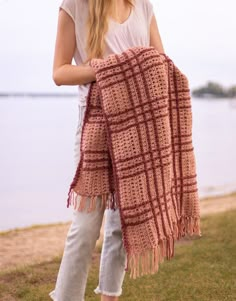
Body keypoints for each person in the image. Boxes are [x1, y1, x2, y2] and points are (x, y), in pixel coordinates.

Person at [49, 0, 165, 300]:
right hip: (95, 128)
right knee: (86, 225)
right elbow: (60, 72)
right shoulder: (74, 6)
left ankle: (110, 296)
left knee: (120, 223)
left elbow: (160, 62)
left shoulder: (142, 6)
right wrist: (112, 68)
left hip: (140, 126)